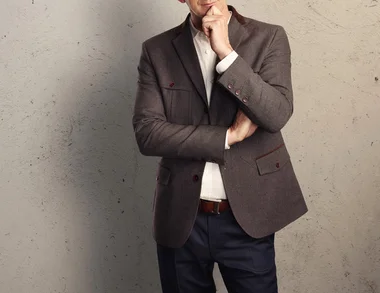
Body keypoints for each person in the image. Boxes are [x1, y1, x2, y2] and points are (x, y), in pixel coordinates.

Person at [132, 1, 308, 292]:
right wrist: (228, 136)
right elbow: (147, 133)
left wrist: (226, 53)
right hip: (181, 220)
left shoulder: (269, 38)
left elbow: (276, 115)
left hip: (247, 219)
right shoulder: (157, 50)